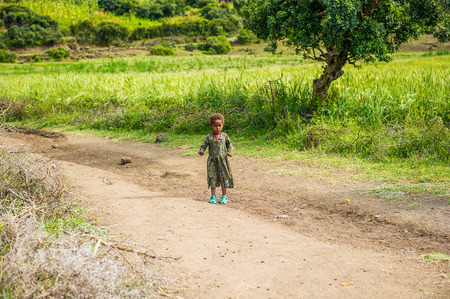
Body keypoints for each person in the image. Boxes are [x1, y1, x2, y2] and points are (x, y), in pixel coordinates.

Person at [198, 113, 234, 204]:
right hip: (212, 161)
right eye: (215, 126)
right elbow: (203, 146)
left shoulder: (225, 136)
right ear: (211, 126)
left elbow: (229, 144)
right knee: (213, 178)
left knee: (223, 178)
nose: (217, 128)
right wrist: (201, 151)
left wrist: (228, 151)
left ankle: (224, 196)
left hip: (222, 161)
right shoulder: (209, 137)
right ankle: (213, 196)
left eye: (219, 125)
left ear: (222, 125)